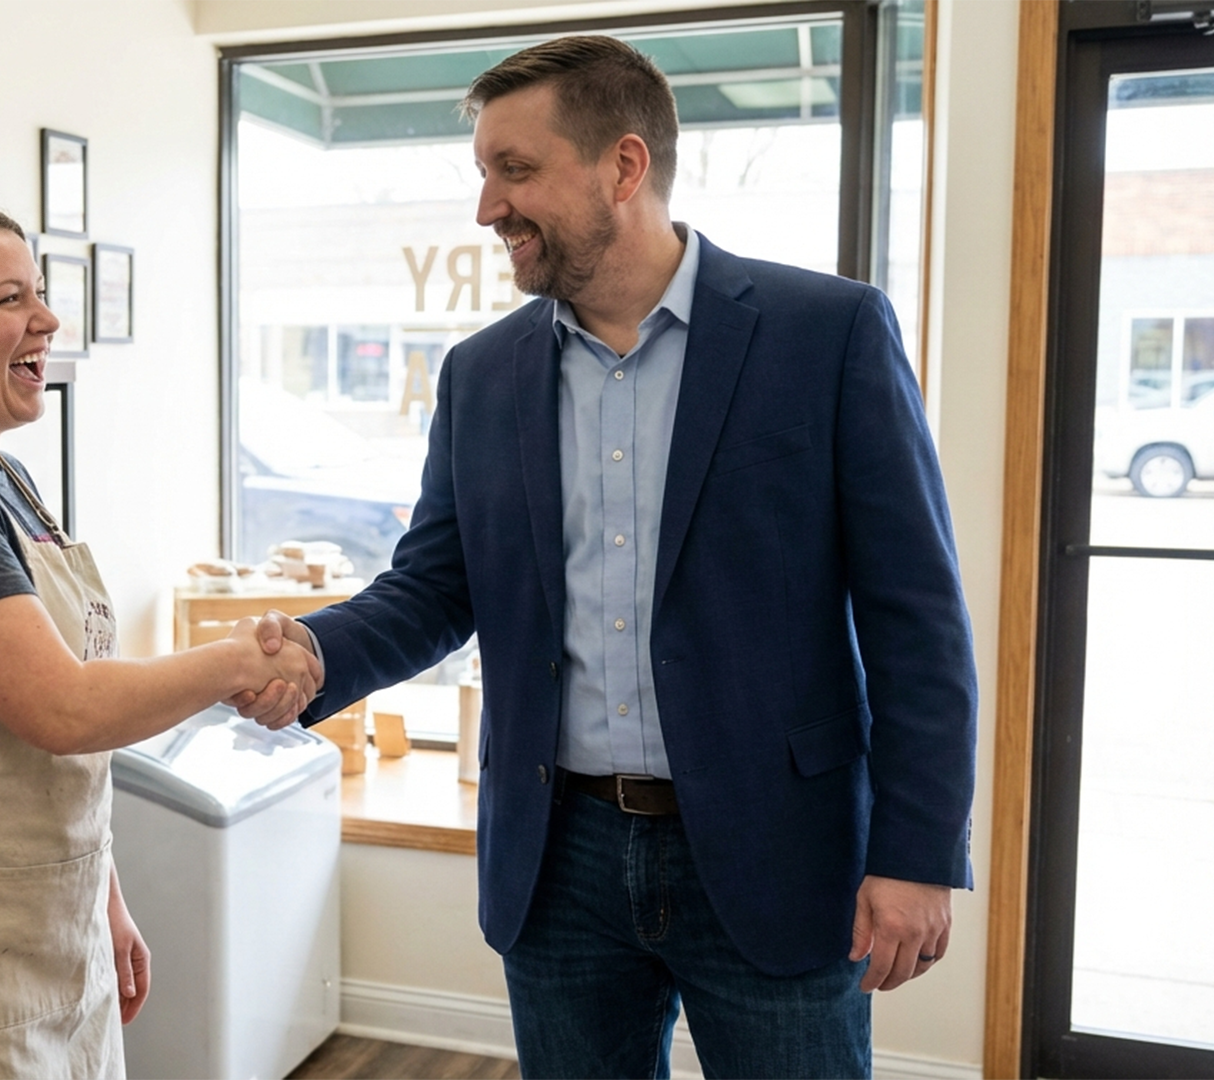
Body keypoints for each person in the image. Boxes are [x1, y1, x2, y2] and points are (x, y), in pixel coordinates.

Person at [237, 35, 977, 1079]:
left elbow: (919, 617)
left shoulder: (829, 333)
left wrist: (916, 852)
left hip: (777, 847)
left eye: (516, 170)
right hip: (559, 856)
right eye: (486, 173)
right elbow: (437, 583)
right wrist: (315, 654)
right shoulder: (482, 375)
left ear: (623, 168)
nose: (488, 207)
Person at [0, 202, 321, 1079]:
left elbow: (61, 715)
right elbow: (61, 708)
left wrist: (101, 899)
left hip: (29, 916)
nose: (45, 320)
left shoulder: (0, 475)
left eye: (38, 294)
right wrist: (240, 659)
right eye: (9, 299)